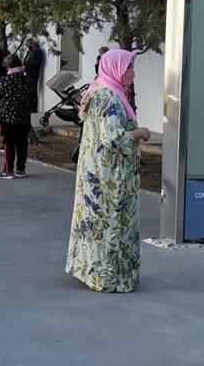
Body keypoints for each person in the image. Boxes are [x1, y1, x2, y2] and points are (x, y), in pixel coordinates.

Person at [66, 48, 151, 292]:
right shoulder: (110, 98)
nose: (133, 74)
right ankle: (108, 276)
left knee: (96, 222)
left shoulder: (101, 89)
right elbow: (113, 139)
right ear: (116, 69)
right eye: (129, 68)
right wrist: (140, 132)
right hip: (109, 176)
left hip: (97, 172)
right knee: (111, 222)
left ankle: (91, 270)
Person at [0, 53, 33, 179]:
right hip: (24, 116)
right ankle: (21, 169)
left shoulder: (5, 80)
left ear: (9, 67)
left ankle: (8, 170)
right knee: (22, 143)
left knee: (8, 143)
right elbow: (32, 97)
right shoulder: (27, 80)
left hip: (7, 116)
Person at [23, 37, 46, 114]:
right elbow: (26, 60)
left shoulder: (39, 52)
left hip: (33, 73)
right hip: (27, 72)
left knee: (33, 89)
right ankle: (28, 106)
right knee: (28, 90)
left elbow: (36, 63)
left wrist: (28, 64)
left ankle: (33, 107)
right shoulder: (29, 51)